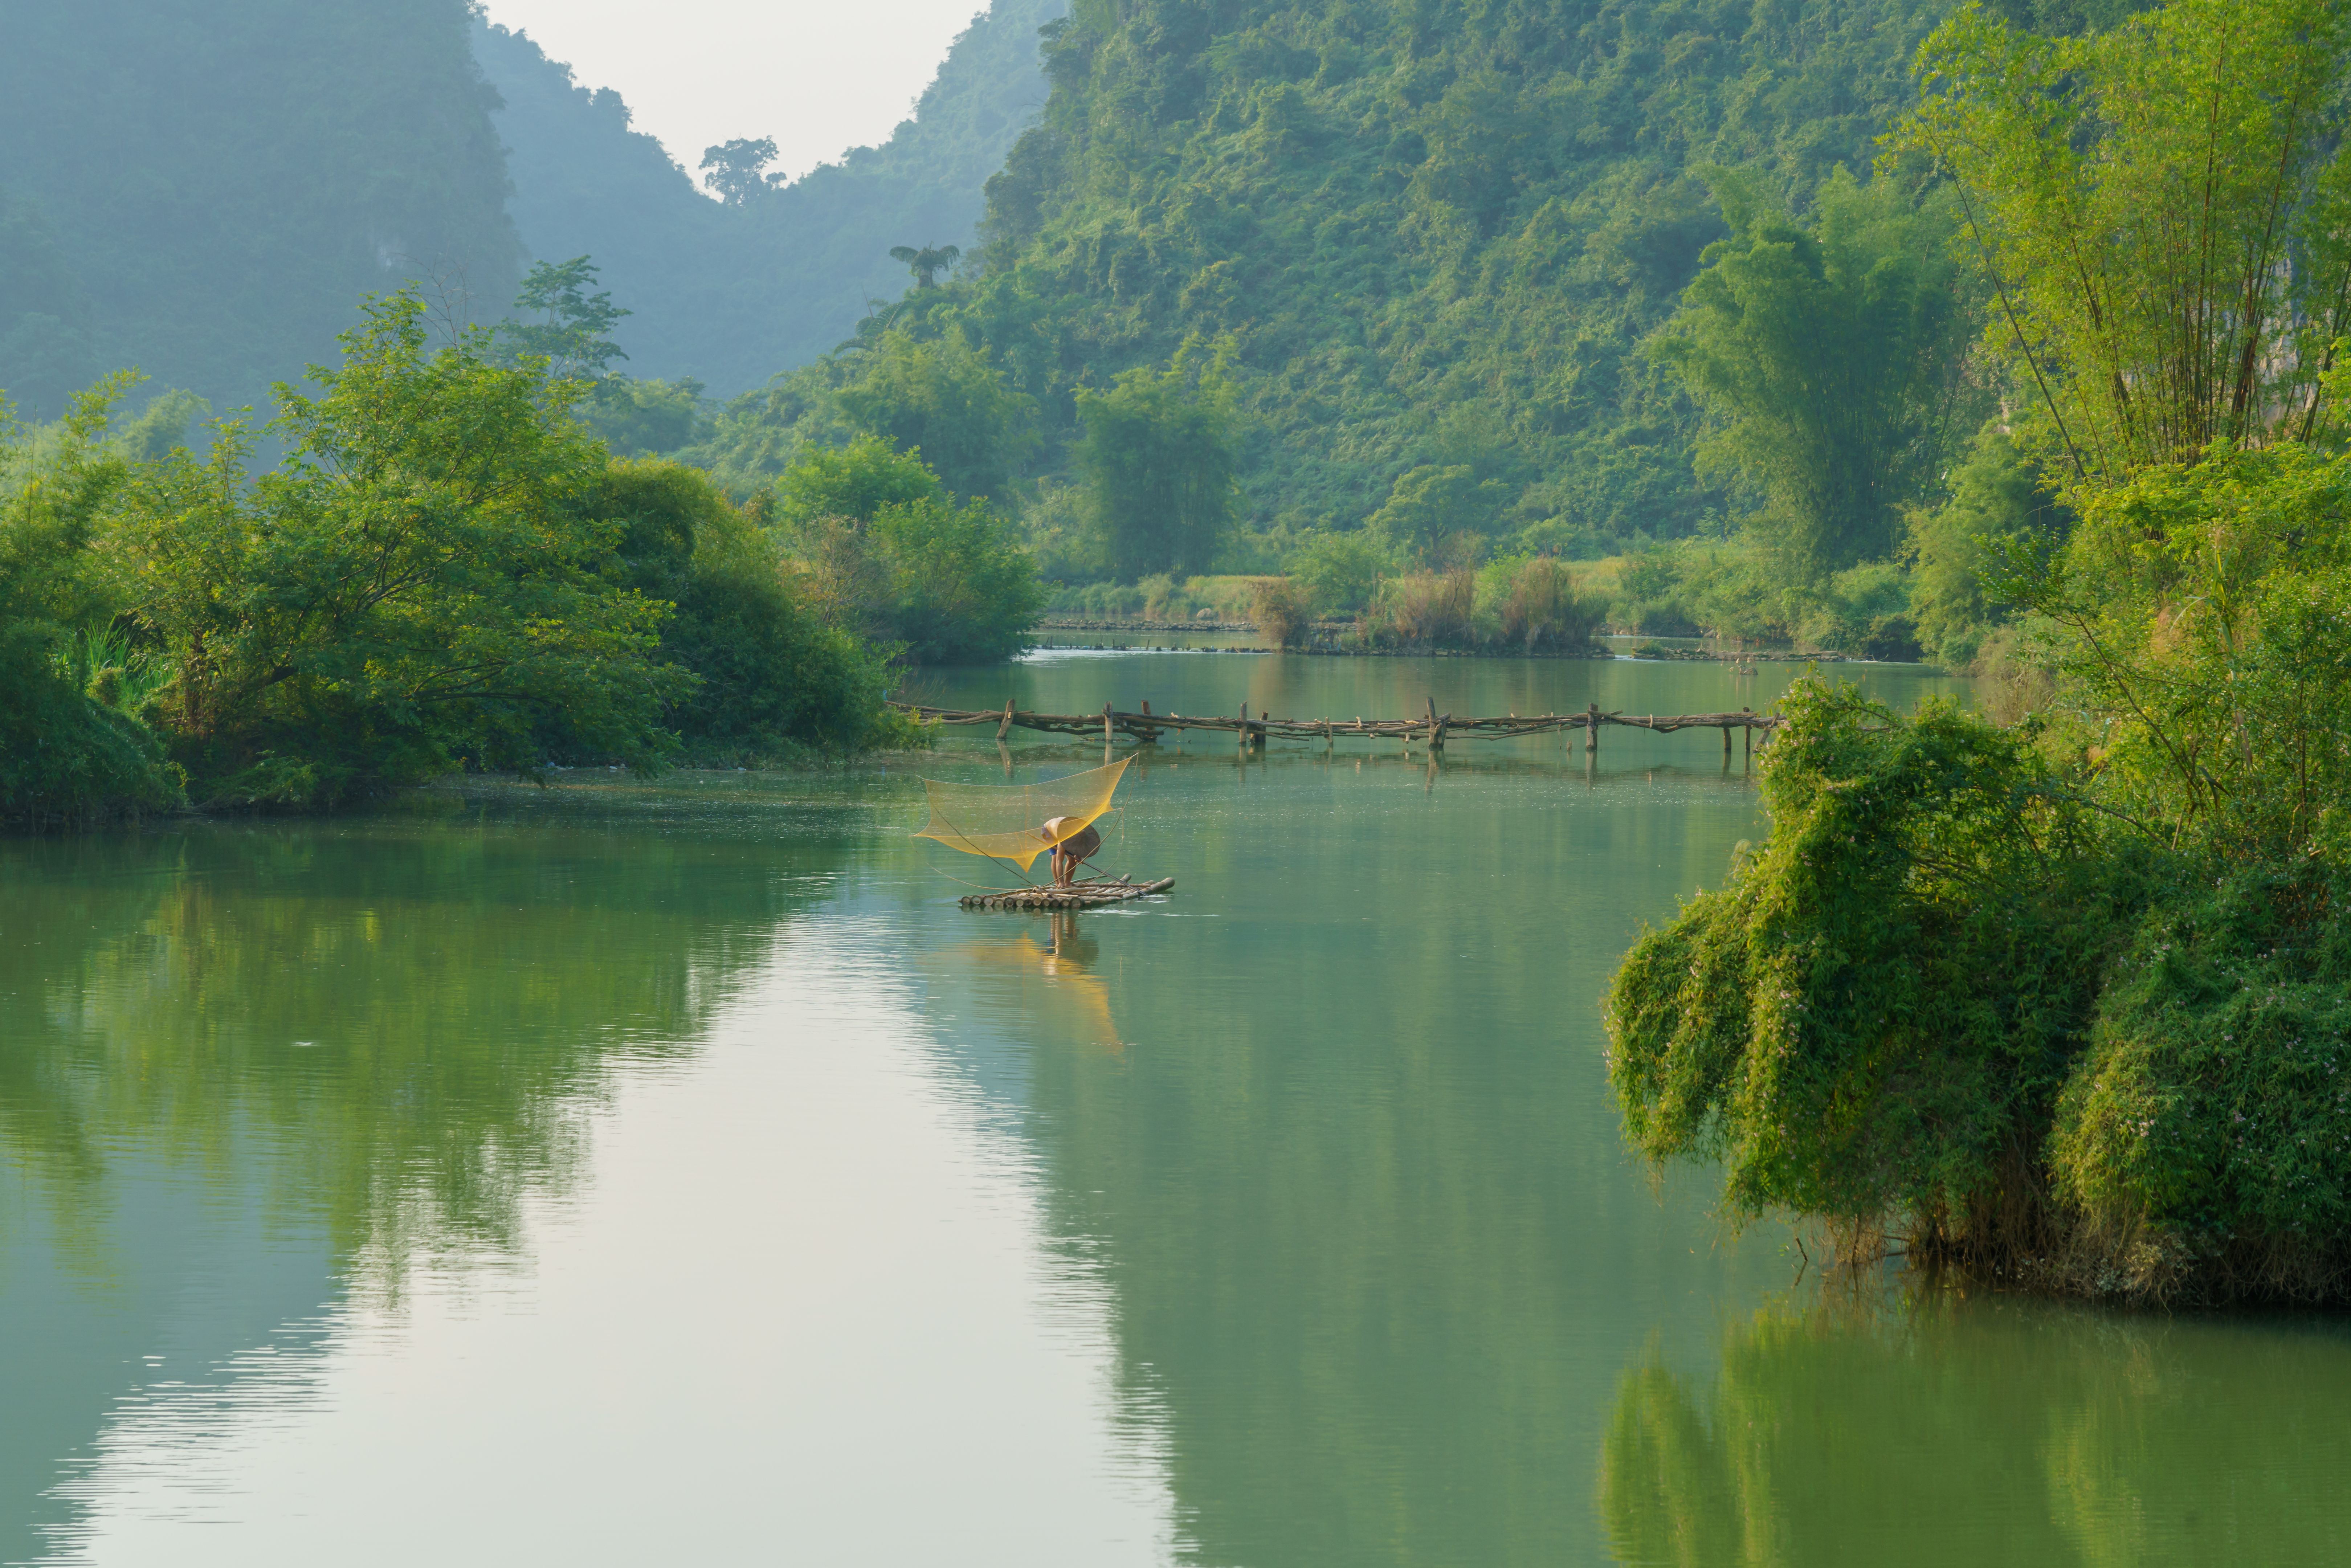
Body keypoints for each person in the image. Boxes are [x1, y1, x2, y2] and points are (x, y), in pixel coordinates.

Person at [1040, 815, 1103, 886]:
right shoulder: (1064, 839)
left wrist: (1078, 854)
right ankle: (1059, 883)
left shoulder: (1080, 834)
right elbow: (1059, 862)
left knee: (1073, 860)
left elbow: (1078, 846)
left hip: (1062, 828)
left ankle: (1067, 883)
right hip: (1049, 831)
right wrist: (1061, 882)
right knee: (1056, 857)